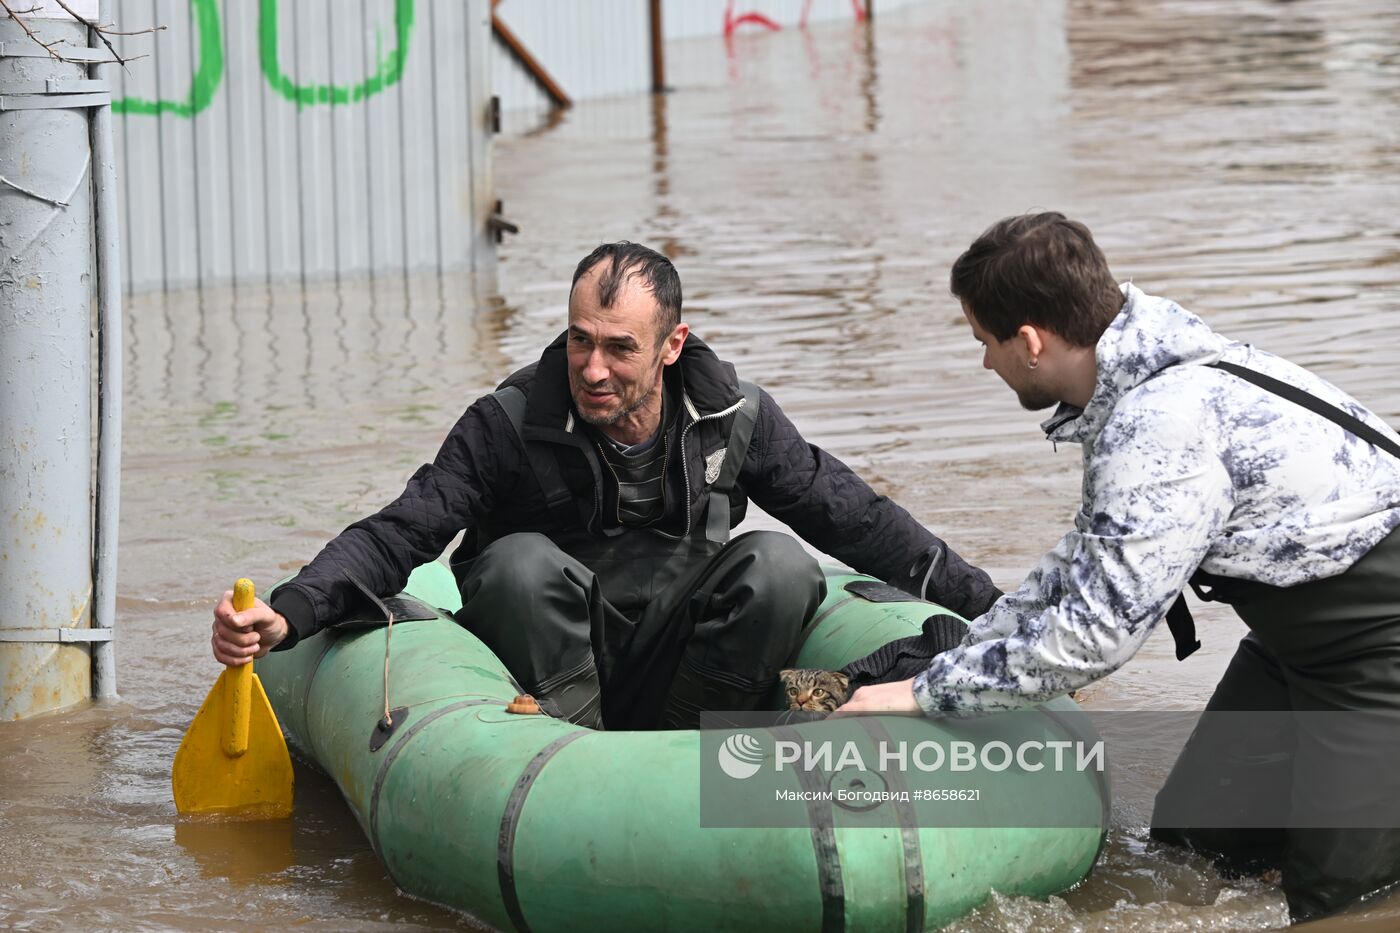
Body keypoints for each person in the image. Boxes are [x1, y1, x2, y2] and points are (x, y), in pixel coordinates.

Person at [834, 212, 1400, 921]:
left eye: (985, 342)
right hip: (1302, 634)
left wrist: (928, 698)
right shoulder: (1138, 380)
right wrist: (951, 656)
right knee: (1199, 840)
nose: (986, 363)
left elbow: (1095, 638)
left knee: (1340, 901)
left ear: (1031, 342)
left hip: (1379, 643)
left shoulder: (1156, 426)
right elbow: (1081, 561)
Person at [211, 242, 1000, 731]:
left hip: (680, 663)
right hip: (544, 668)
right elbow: (404, 529)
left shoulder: (734, 417)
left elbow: (855, 517)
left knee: (781, 563)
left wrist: (998, 610)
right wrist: (294, 608)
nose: (591, 367)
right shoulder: (510, 421)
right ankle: (579, 755)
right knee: (518, 562)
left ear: (670, 345)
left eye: (620, 348)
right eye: (580, 340)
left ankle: (691, 749)